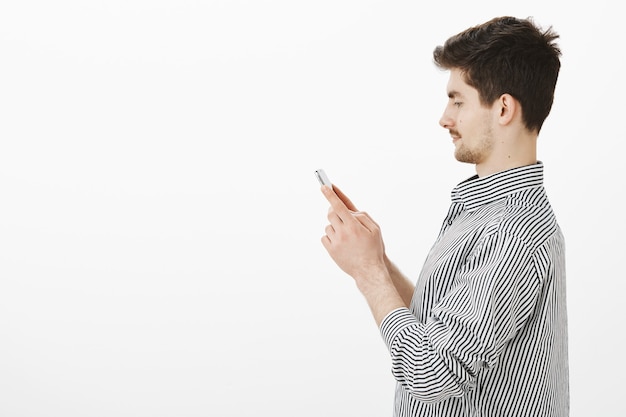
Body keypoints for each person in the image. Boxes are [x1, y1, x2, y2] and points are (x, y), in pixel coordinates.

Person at [319, 16, 568, 416]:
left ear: (503, 107)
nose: (444, 117)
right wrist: (376, 259)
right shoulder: (485, 213)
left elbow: (432, 372)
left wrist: (368, 272)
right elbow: (442, 333)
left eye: (458, 100)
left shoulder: (515, 232)